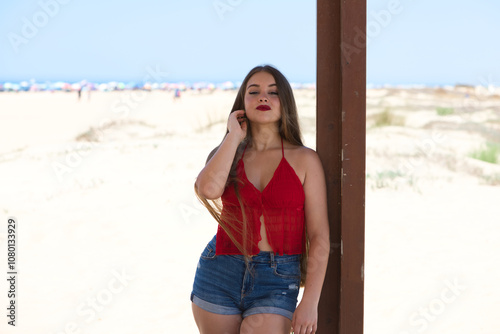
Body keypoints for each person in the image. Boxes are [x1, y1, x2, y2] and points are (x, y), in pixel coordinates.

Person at [191, 65, 330, 334]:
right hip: (219, 269)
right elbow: (208, 189)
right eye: (253, 92)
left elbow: (319, 234)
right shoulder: (226, 152)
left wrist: (310, 301)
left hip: (278, 279)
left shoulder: (305, 159)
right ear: (242, 103)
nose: (263, 97)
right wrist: (234, 137)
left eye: (273, 92)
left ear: (285, 103)